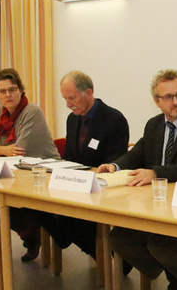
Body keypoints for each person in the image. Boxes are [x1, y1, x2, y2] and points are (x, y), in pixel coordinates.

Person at [99, 69, 177, 290]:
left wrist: (156, 173)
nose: (176, 102)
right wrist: (114, 166)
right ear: (157, 101)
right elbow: (137, 154)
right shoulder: (154, 125)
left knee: (159, 241)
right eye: (168, 97)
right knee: (119, 238)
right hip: (158, 200)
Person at [38, 71, 130, 258]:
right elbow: (71, 157)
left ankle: (108, 255)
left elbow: (114, 163)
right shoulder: (73, 119)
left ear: (88, 93)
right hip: (76, 185)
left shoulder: (114, 119)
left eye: (71, 98)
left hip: (101, 190)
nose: (68, 104)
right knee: (39, 207)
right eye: (65, 98)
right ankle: (92, 250)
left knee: (64, 216)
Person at [0, 68, 60, 261]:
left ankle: (34, 230)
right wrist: (3, 149)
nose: (8, 95)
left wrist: (1, 149)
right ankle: (30, 232)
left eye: (12, 89)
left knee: (3, 200)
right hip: (18, 173)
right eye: (2, 91)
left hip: (42, 174)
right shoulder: (1, 113)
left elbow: (19, 150)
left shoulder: (32, 111)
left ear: (21, 90)